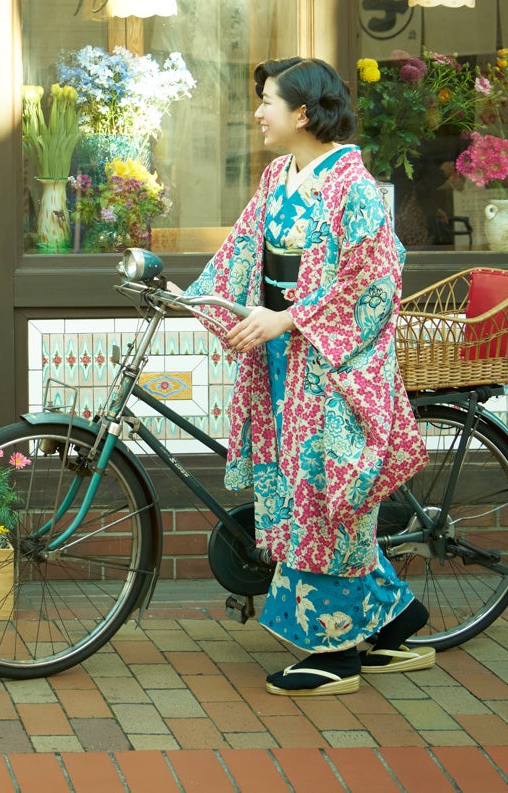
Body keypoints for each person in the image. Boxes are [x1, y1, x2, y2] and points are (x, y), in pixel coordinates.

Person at [185, 57, 434, 696]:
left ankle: (334, 654)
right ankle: (396, 620)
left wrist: (288, 319)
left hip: (330, 366)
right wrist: (199, 299)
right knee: (298, 490)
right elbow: (242, 250)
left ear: (302, 112)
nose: (259, 112)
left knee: (323, 499)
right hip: (283, 359)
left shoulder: (351, 186)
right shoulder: (279, 175)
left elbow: (373, 281)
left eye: (268, 100)